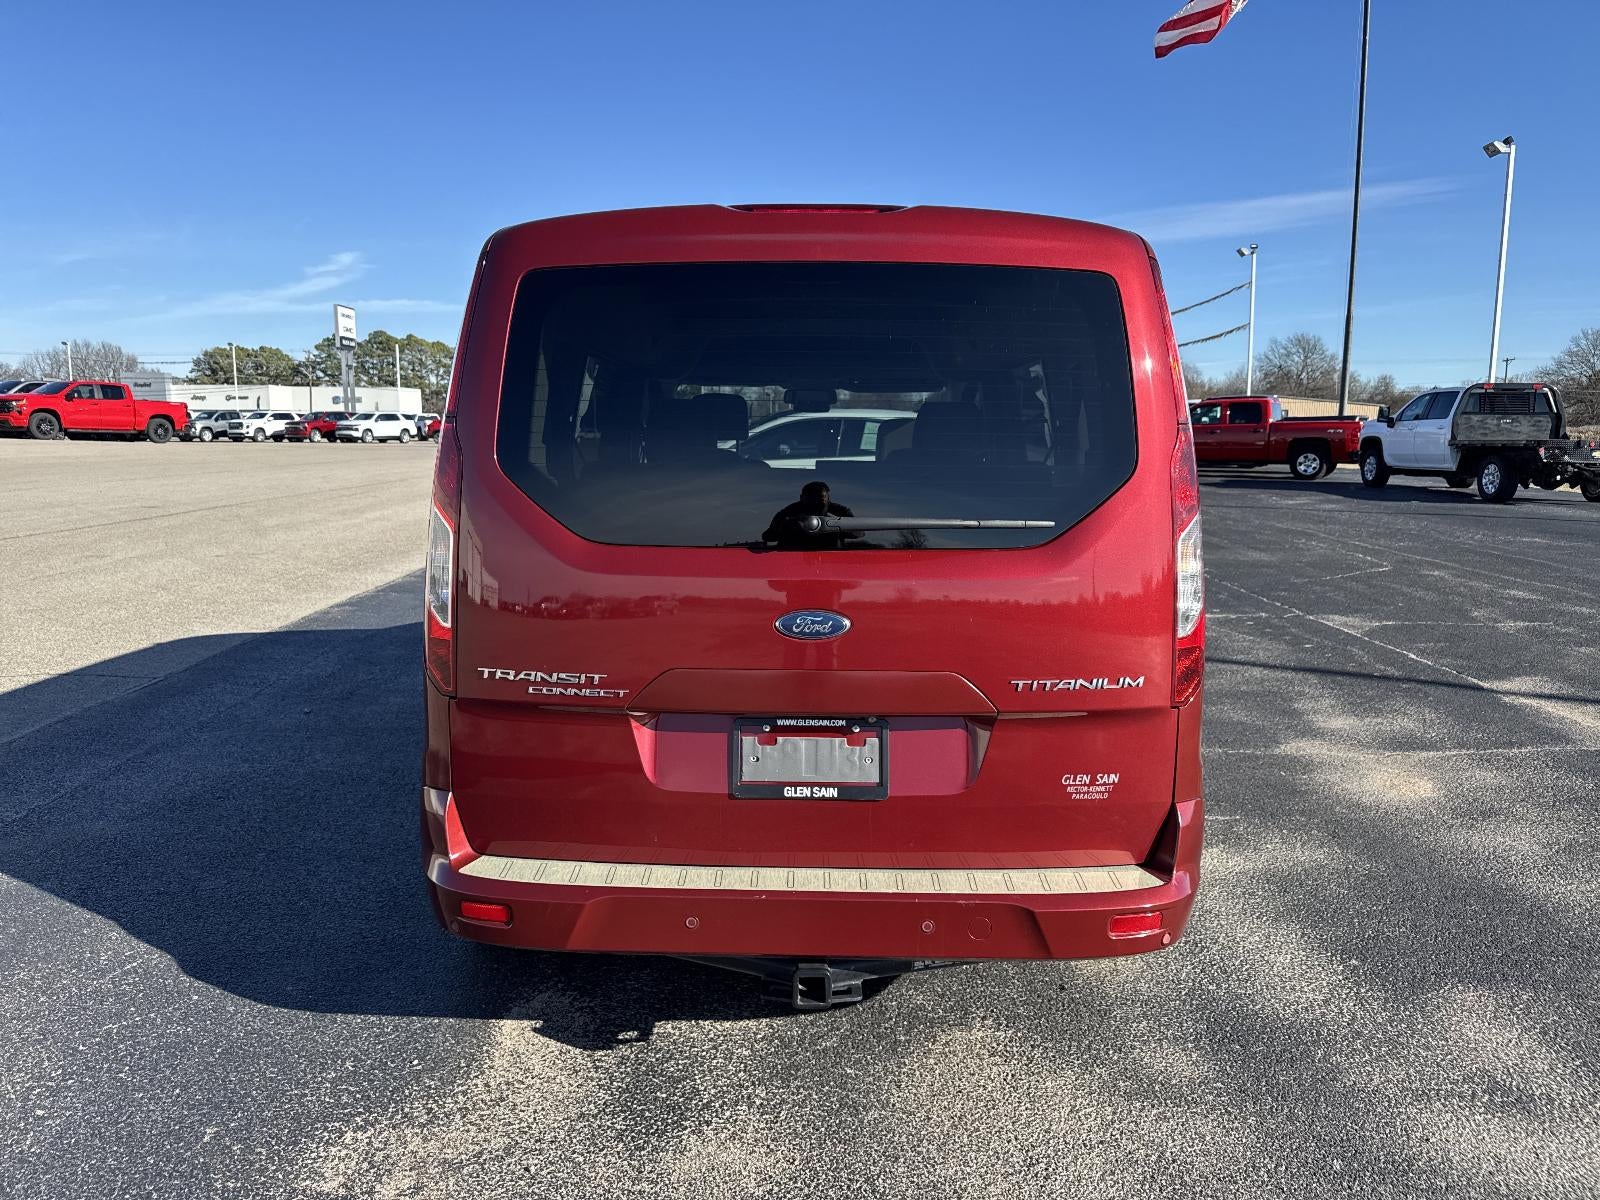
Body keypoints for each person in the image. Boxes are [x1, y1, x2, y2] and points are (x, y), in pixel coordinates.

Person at [762, 481, 857, 550]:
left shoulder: (840, 511)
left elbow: (859, 533)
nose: (815, 504)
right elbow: (768, 537)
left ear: (828, 498)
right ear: (801, 498)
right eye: (810, 500)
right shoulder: (788, 512)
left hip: (834, 557)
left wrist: (838, 524)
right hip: (792, 558)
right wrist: (789, 525)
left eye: (820, 500)